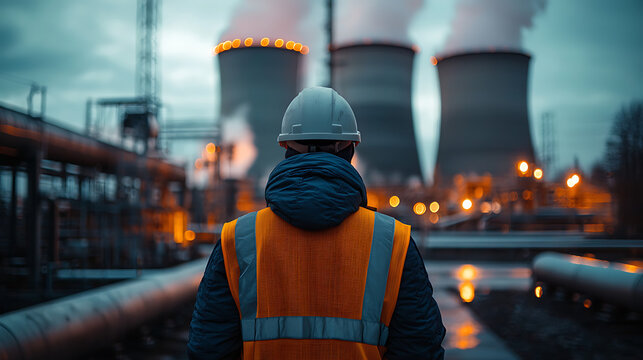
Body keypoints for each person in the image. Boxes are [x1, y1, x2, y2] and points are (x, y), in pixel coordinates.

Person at [188, 87, 445, 359]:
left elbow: (209, 350)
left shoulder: (237, 239)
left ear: (285, 146)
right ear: (351, 147)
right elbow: (420, 349)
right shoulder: (393, 242)